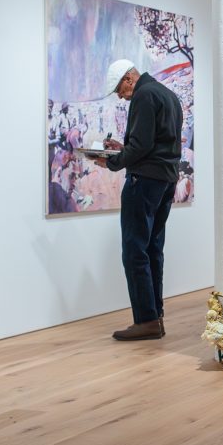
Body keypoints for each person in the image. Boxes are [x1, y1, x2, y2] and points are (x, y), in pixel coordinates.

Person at [89, 58, 183, 342]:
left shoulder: (142, 95)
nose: (120, 95)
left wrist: (112, 162)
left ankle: (145, 320)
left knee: (134, 250)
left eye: (119, 89)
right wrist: (123, 147)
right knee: (153, 248)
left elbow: (142, 146)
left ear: (129, 78)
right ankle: (156, 315)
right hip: (166, 180)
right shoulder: (168, 95)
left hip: (144, 182)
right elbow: (157, 142)